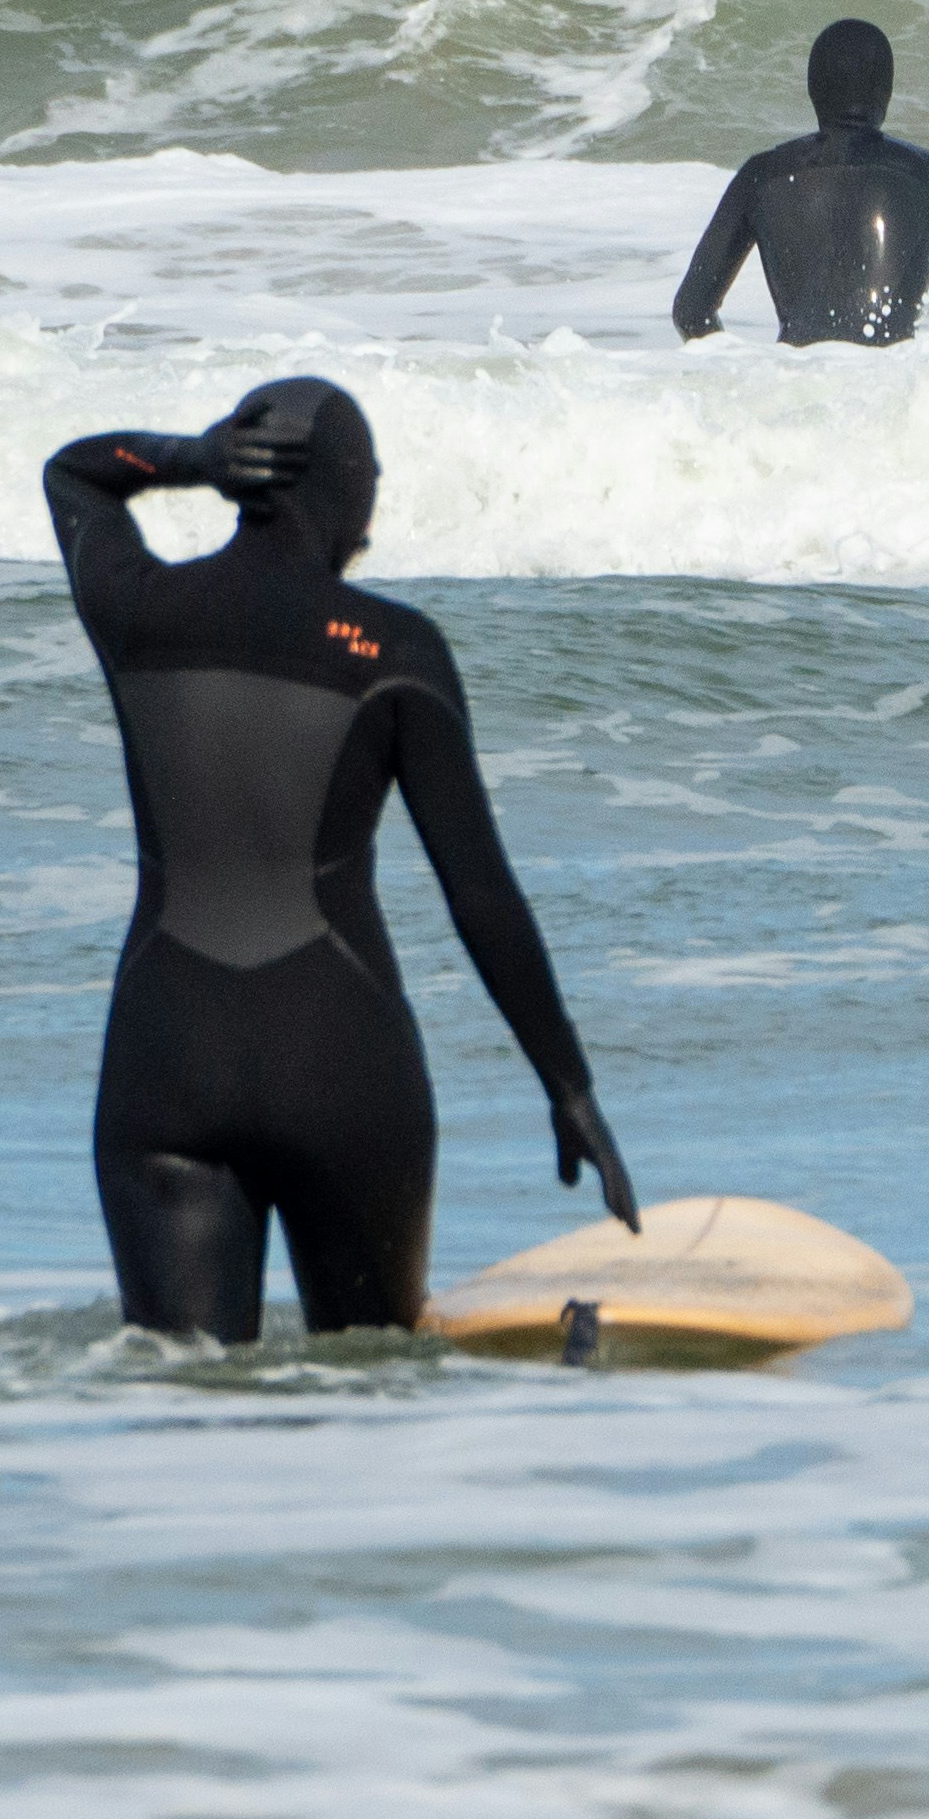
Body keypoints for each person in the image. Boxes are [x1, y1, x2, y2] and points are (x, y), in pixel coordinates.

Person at [44, 379, 634, 1342]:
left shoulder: (141, 609)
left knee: (186, 1392)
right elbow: (479, 890)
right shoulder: (395, 648)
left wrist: (192, 458)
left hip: (166, 1067)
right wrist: (568, 1087)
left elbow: (76, 473)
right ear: (347, 494)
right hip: (340, 1072)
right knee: (372, 1384)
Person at [674, 18, 929, 347]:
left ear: (812, 90)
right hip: (892, 376)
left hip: (800, 375)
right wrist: (923, 373)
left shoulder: (760, 176)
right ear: (887, 91)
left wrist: (749, 370)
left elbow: (691, 312)